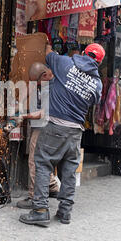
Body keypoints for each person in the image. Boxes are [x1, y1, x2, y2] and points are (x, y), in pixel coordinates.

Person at [19, 43, 104, 227]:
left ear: (83, 53)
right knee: (69, 172)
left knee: (42, 164)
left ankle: (40, 210)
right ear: (99, 62)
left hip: (55, 126)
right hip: (75, 131)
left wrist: (47, 43)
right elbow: (95, 100)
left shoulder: (65, 63)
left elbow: (48, 54)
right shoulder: (97, 83)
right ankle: (65, 212)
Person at [16, 64, 60, 209]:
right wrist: (18, 103)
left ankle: (34, 196)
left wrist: (24, 115)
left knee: (34, 160)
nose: (36, 85)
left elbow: (44, 112)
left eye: (37, 82)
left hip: (46, 126)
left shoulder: (55, 88)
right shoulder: (42, 80)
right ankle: (52, 187)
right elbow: (31, 86)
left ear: (45, 75)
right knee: (43, 160)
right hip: (41, 125)